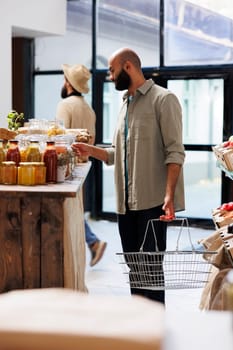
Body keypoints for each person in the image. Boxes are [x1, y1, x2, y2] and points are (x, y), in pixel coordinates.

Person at [72, 48, 185, 304]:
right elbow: (117, 154)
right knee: (135, 269)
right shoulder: (125, 105)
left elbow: (175, 153)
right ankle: (138, 326)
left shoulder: (163, 100)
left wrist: (169, 196)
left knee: (151, 270)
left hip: (152, 203)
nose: (110, 77)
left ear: (128, 67)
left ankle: (155, 331)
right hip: (125, 205)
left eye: (112, 70)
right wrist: (90, 150)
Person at [56, 63, 107, 267]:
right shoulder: (88, 108)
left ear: (68, 83)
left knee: (67, 210)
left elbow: (58, 139)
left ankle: (91, 243)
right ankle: (91, 243)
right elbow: (91, 141)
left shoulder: (65, 105)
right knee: (75, 208)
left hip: (67, 167)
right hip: (84, 165)